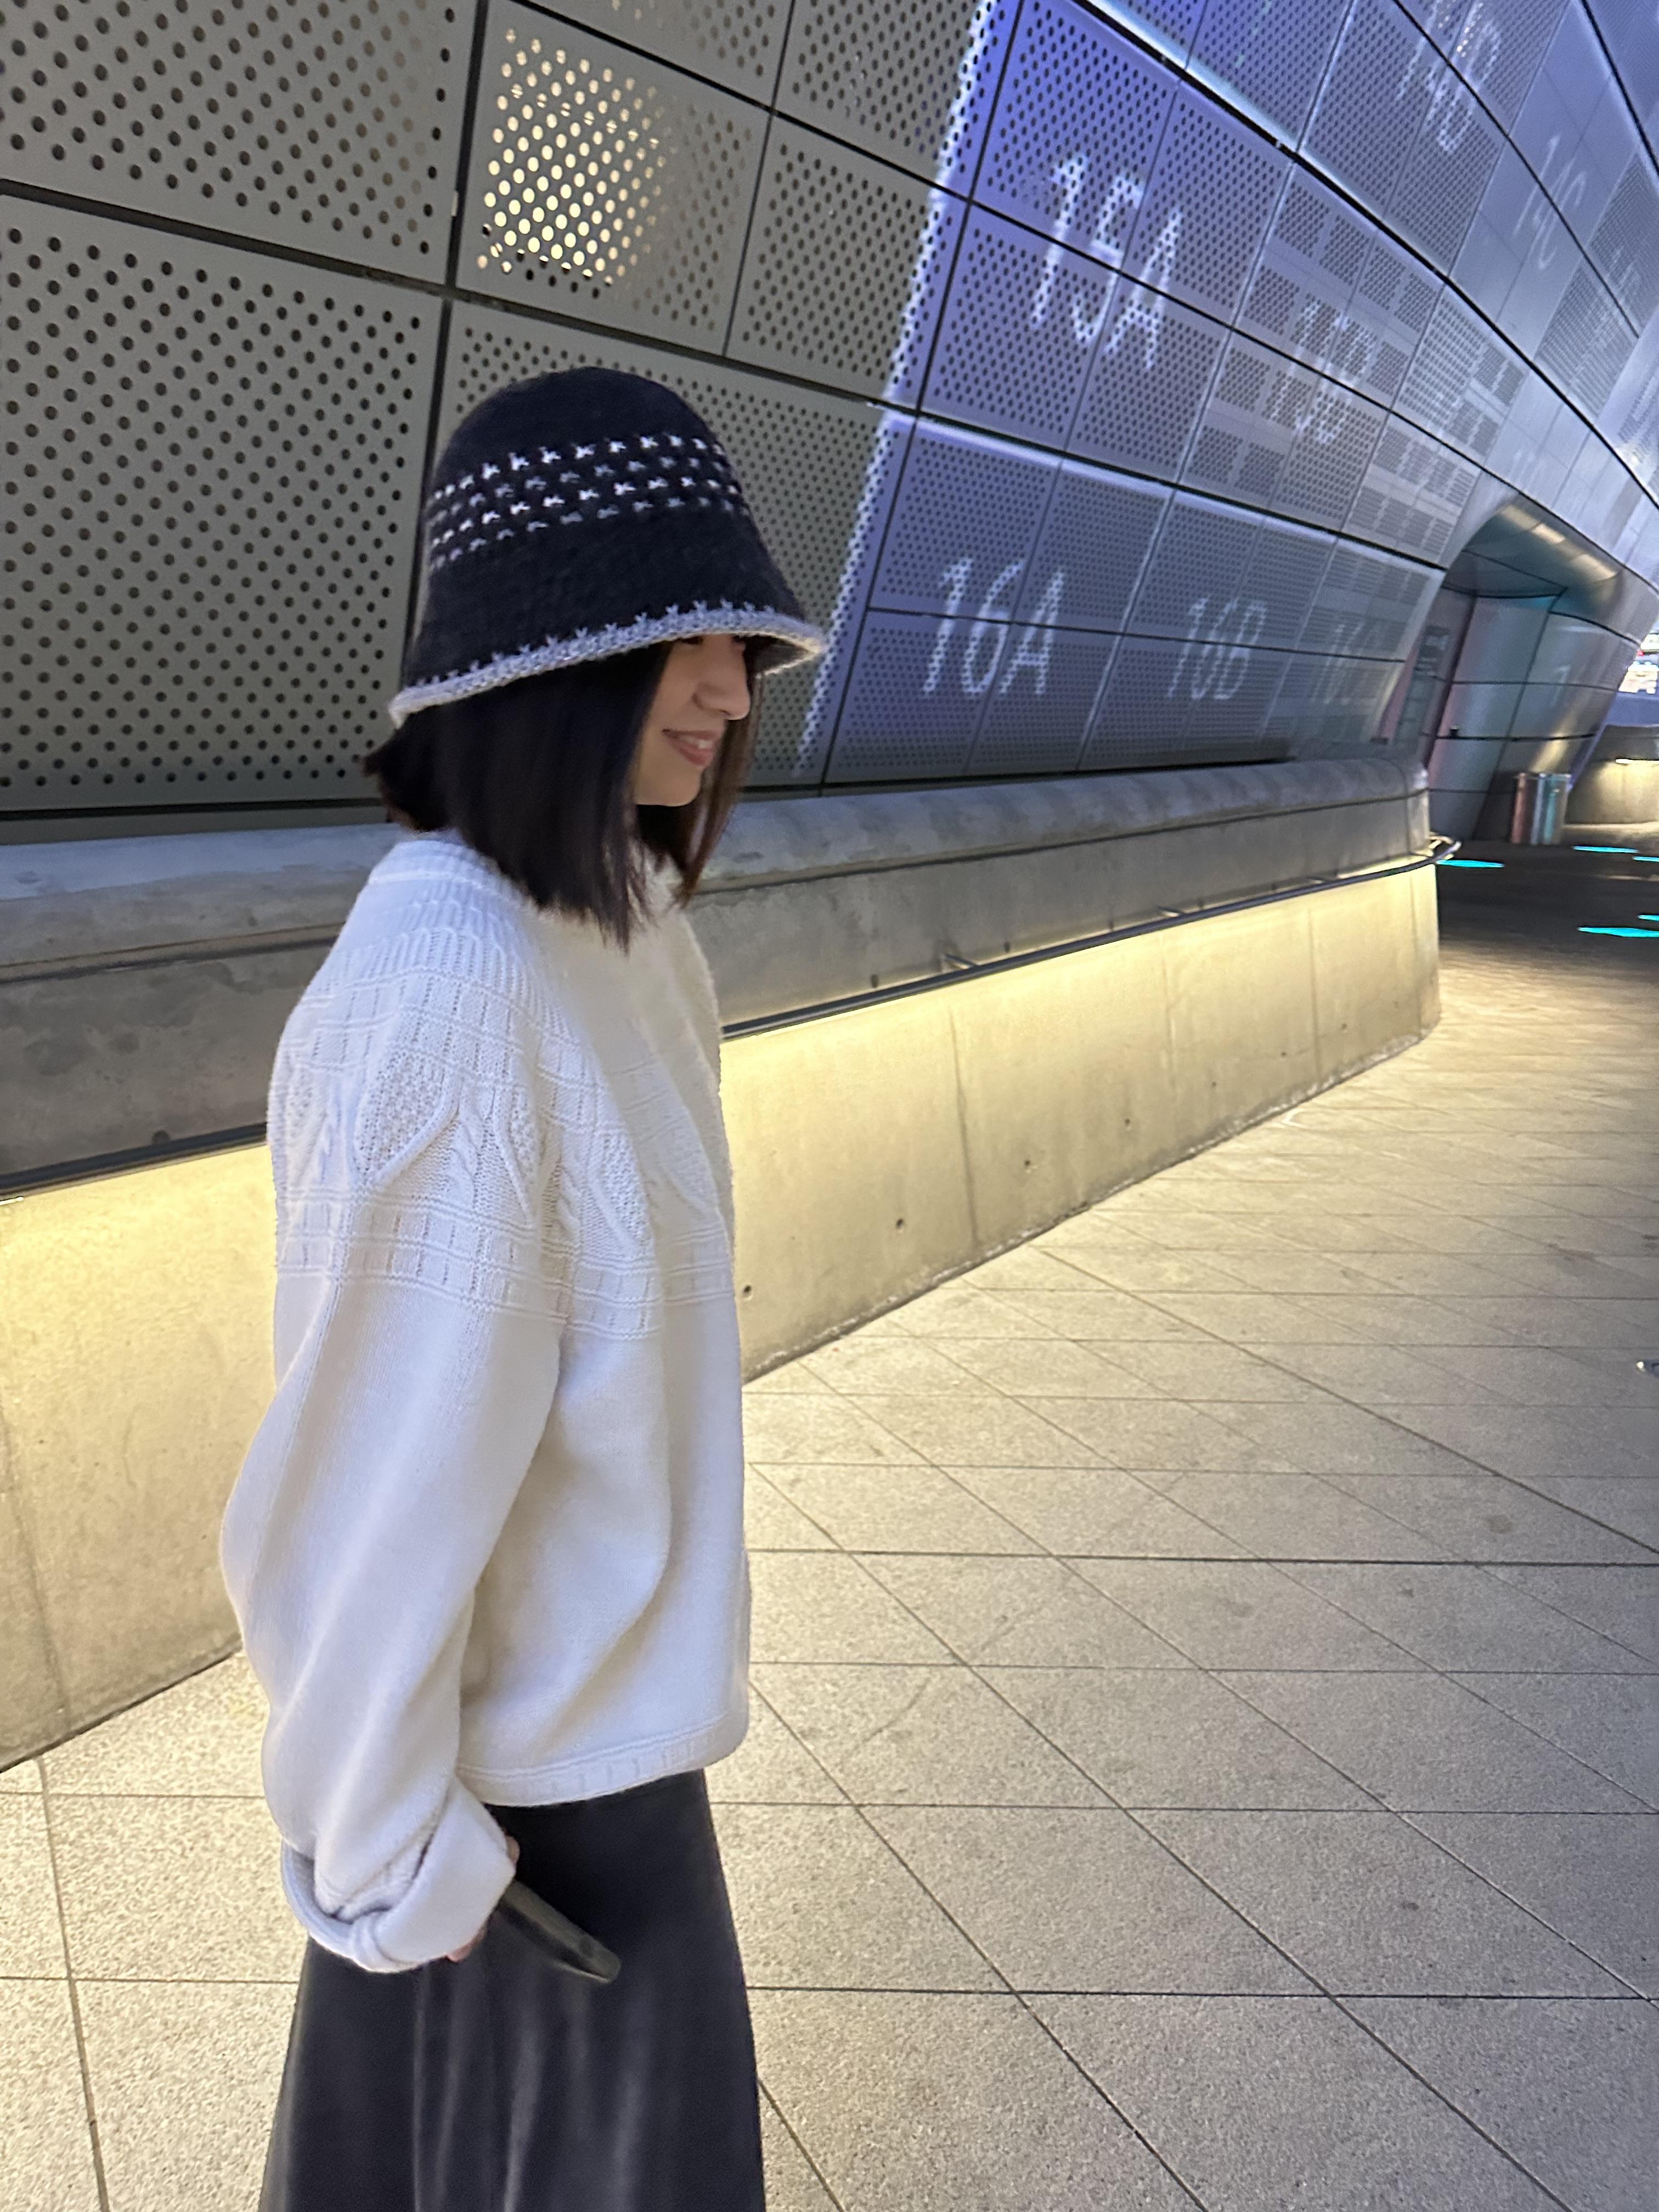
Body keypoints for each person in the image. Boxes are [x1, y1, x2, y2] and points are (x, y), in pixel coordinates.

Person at [220, 366, 825, 2211]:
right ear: (552, 659)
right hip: (515, 1841)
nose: (733, 689)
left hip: (609, 1781)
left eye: (738, 640)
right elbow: (363, 1500)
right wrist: (396, 1861)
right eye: (687, 637)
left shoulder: (622, 931)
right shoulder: (454, 995)